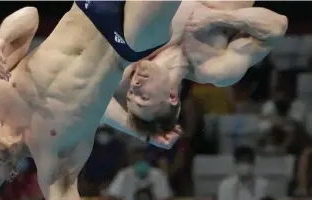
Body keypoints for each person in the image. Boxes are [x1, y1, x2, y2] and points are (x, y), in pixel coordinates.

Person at [0, 2, 183, 200]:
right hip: (127, 40)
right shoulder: (54, 165)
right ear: (9, 176)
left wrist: (2, 36)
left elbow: (30, 15)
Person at [104, 1, 287, 132]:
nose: (134, 86)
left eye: (130, 94)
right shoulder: (215, 68)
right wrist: (218, 18)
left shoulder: (132, 52)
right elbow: (278, 26)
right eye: (143, 97)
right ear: (172, 97)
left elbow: (90, 103)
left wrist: (140, 133)